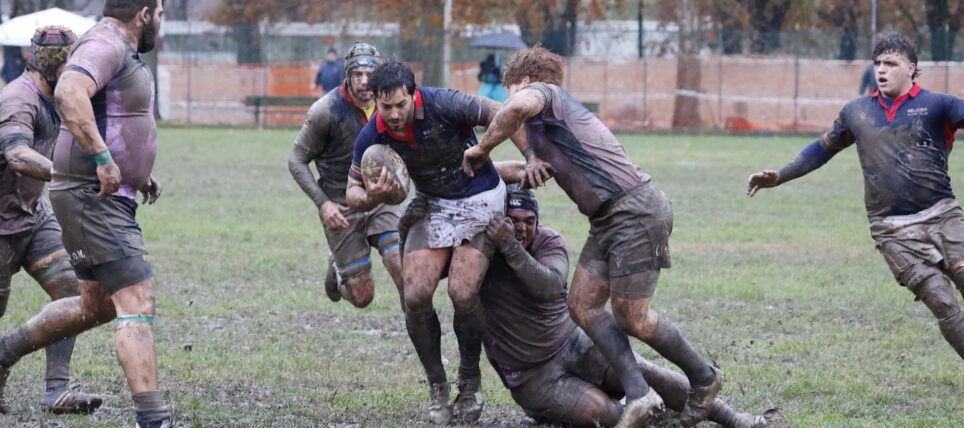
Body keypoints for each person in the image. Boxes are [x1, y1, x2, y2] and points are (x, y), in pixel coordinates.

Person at [462, 46, 723, 427]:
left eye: (509, 90)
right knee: (581, 305)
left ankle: (704, 378)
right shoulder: (549, 120)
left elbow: (515, 110)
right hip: (606, 219)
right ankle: (640, 395)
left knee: (633, 316)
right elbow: (534, 149)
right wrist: (531, 159)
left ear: (523, 80)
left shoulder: (543, 94)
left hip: (634, 209)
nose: (507, 99)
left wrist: (481, 149)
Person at [465, 184, 785, 427]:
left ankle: (735, 418)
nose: (521, 229)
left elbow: (549, 288)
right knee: (601, 412)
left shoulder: (548, 241)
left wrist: (511, 247)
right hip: (531, 374)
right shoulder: (481, 253)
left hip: (573, 342)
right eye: (513, 221)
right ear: (498, 222)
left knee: (648, 376)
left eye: (529, 220)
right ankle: (655, 418)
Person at [0, 1, 172, 427]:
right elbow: (26, 142)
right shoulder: (95, 49)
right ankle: (153, 417)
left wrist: (135, 170)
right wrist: (99, 161)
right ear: (145, 13)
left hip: (46, 210)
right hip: (38, 213)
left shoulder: (106, 56)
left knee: (90, 302)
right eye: (162, 13)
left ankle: (31, 371)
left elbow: (105, 118)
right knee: (136, 298)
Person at [748, 32, 964, 361]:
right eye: (877, 63)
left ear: (911, 68)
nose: (881, 70)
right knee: (941, 300)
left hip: (943, 216)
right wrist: (780, 175)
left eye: (890, 63)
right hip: (891, 230)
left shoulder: (938, 105)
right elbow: (822, 149)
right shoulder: (856, 112)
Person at [347, 60, 517, 424]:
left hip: (481, 200)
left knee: (463, 292)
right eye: (384, 106)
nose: (392, 114)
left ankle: (470, 382)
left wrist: (508, 151)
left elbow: (506, 113)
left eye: (400, 105)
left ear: (414, 94)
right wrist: (373, 196)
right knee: (416, 294)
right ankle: (437, 385)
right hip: (433, 205)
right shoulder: (372, 134)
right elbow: (351, 194)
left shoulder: (445, 103)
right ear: (375, 100)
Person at [0, 25, 104, 415]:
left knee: (75, 295)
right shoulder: (17, 99)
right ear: (55, 65)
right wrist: (68, 177)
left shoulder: (60, 97)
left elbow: (89, 137)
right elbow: (17, 155)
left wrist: (129, 172)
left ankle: (56, 389)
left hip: (33, 218)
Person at [289, 42, 404, 307]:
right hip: (341, 208)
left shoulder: (390, 104)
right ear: (347, 75)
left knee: (401, 266)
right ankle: (338, 269)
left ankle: (420, 330)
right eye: (357, 75)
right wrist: (324, 204)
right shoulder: (325, 111)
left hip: (380, 201)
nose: (365, 82)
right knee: (362, 298)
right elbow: (296, 161)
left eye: (370, 75)